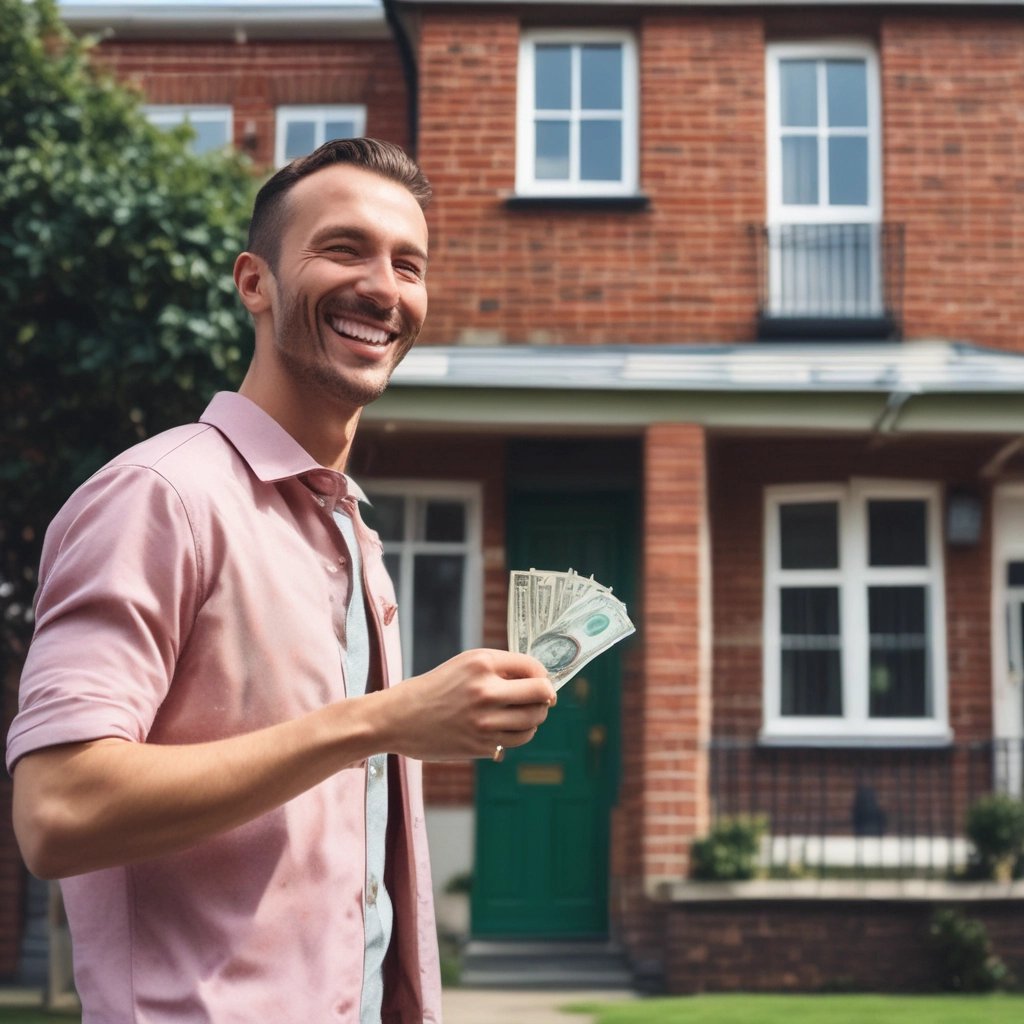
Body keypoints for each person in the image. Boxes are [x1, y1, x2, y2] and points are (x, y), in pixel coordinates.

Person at [6, 138, 555, 1024]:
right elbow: (57, 812)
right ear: (253, 282)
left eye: (408, 264)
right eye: (344, 249)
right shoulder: (160, 497)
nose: (383, 288)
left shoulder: (352, 530)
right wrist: (383, 719)